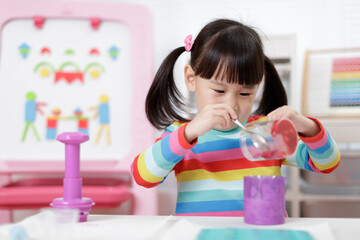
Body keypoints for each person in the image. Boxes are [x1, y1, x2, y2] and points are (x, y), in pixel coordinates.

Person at [131, 19, 340, 216]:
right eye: (219, 91)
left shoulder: (266, 134)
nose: (231, 104)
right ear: (191, 79)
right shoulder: (181, 135)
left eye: (245, 94)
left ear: (257, 89)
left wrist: (306, 126)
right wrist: (189, 132)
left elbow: (326, 163)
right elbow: (143, 176)